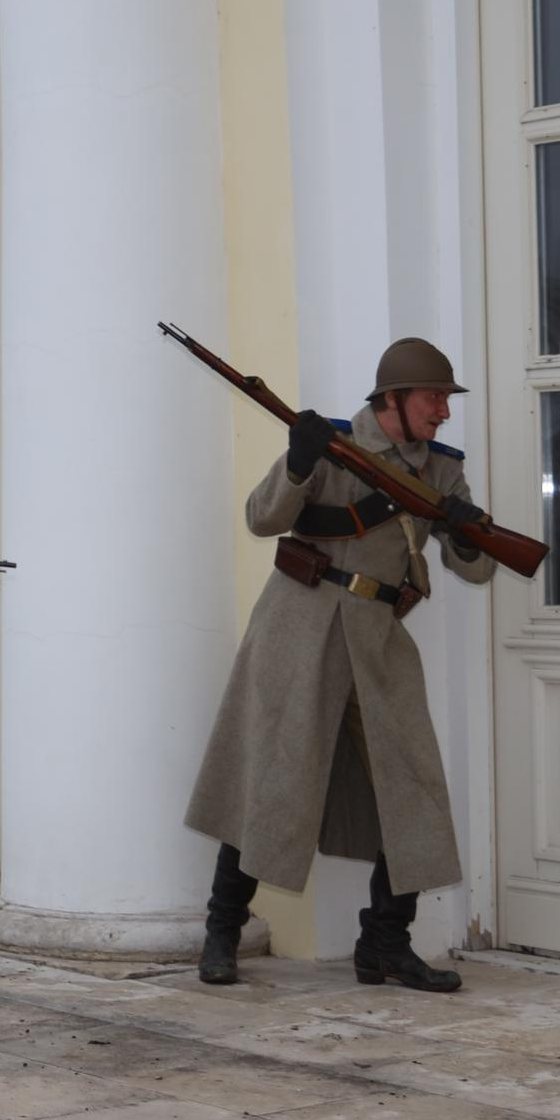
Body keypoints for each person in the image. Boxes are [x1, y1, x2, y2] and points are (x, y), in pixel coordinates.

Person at [185, 337, 498, 993]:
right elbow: (262, 517)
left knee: (411, 785)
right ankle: (222, 931)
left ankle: (385, 944)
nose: (444, 411)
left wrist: (469, 530)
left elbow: (476, 569)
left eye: (445, 399)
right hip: (300, 626)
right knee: (269, 779)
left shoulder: (441, 471)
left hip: (378, 636)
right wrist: (299, 463)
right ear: (394, 399)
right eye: (434, 398)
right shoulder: (329, 444)